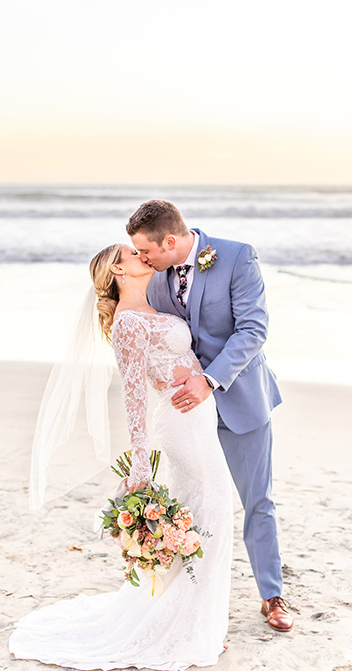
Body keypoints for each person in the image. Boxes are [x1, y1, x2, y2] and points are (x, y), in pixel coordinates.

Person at [9, 243, 234, 671]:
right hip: (181, 424)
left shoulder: (154, 307)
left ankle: (195, 620)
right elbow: (133, 396)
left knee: (206, 514)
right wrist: (138, 462)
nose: (143, 255)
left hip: (199, 417)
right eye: (133, 253)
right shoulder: (129, 323)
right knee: (213, 511)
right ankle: (190, 627)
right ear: (118, 269)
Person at [126, 200, 293, 632]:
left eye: (147, 251)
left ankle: (271, 596)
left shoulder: (237, 256)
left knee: (257, 501)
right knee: (195, 505)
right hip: (187, 417)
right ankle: (186, 599)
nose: (142, 259)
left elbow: (253, 329)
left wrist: (209, 379)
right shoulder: (155, 280)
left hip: (241, 401)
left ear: (171, 240)